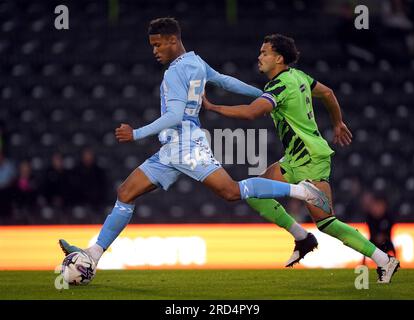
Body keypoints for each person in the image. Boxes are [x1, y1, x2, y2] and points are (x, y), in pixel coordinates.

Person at [58, 18, 330, 270]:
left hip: (186, 146)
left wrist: (136, 133)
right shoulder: (196, 62)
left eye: (157, 44)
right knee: (126, 192)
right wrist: (264, 95)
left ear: (173, 41)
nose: (154, 51)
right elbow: (225, 81)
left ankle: (300, 191)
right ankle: (92, 255)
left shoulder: (174, 72)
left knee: (232, 192)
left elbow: (175, 115)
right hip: (171, 149)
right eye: (152, 45)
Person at [202, 34, 400, 283]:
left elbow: (252, 113)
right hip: (295, 158)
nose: (259, 57)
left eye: (264, 53)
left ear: (279, 58)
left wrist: (213, 108)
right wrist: (337, 122)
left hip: (310, 159)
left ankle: (384, 260)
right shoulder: (300, 77)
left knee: (327, 222)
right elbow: (327, 93)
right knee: (251, 192)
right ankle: (302, 237)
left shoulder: (281, 85)